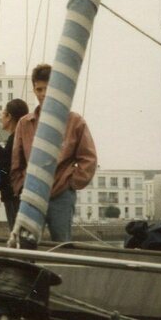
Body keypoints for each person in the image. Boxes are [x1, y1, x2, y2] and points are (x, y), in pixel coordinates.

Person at [10, 64, 97, 242]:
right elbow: (16, 161)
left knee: (62, 244)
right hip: (32, 194)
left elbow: (88, 158)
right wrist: (21, 187)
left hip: (61, 195)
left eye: (47, 88)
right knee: (26, 243)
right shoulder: (24, 124)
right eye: (39, 89)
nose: (43, 93)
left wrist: (71, 183)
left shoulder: (75, 122)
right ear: (34, 90)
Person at [0, 98, 29, 228]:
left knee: (16, 232)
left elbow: (6, 164)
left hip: (13, 195)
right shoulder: (22, 137)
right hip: (18, 193)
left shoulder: (14, 139)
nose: (0, 116)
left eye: (3, 113)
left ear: (9, 116)